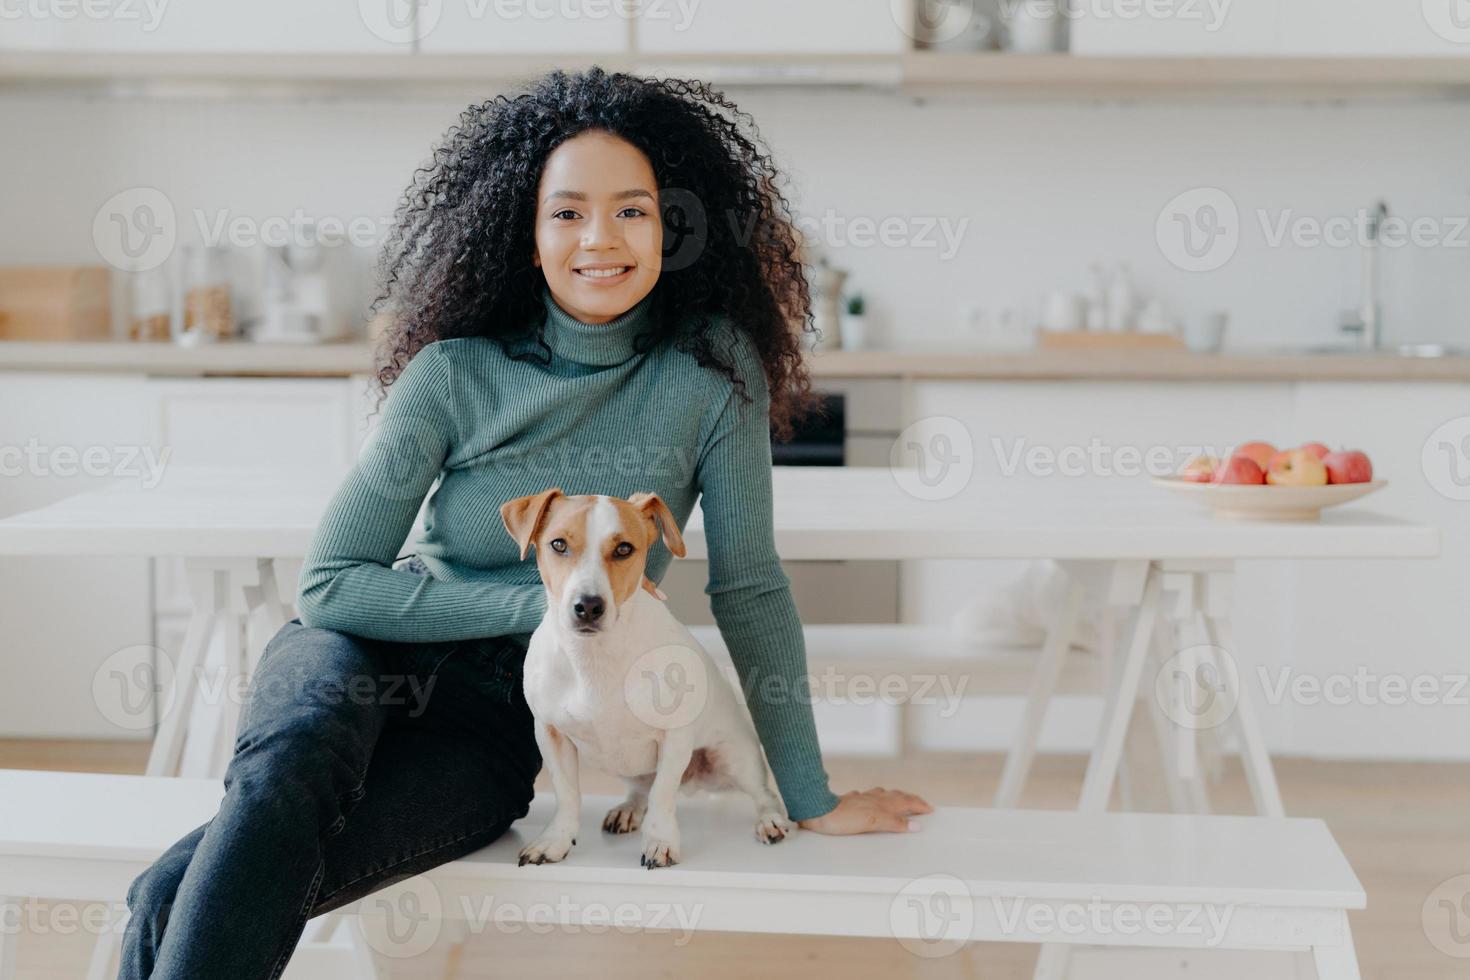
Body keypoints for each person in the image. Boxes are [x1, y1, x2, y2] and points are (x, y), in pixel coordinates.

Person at [119, 66, 932, 979]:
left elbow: (749, 587)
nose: (600, 238)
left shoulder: (711, 374)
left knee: (164, 896)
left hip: (505, 718)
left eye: (632, 210)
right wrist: (536, 604)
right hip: (358, 650)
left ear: (676, 225)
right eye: (567, 212)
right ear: (528, 233)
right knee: (286, 776)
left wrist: (811, 793)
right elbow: (331, 582)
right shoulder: (452, 373)